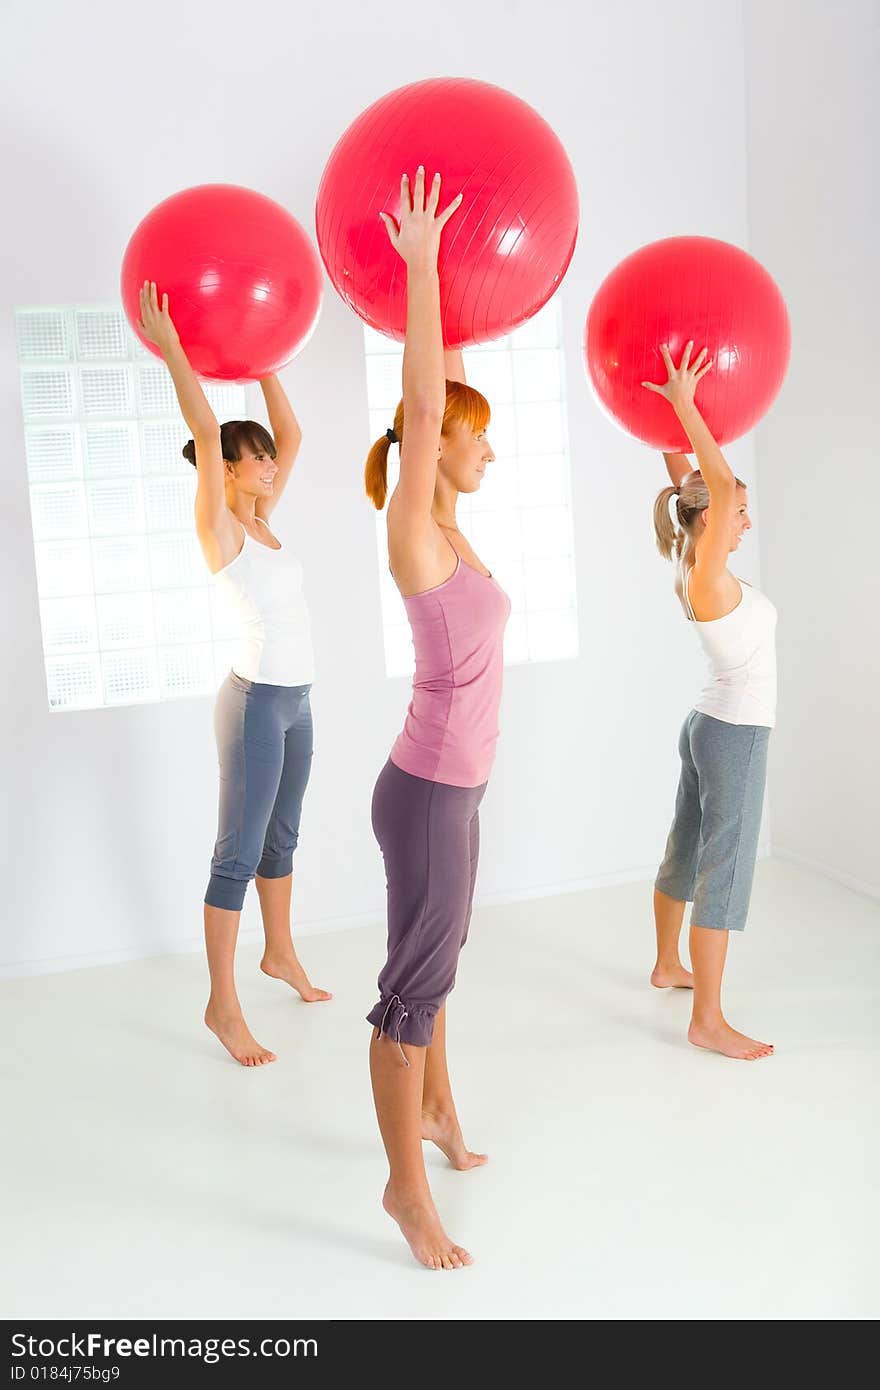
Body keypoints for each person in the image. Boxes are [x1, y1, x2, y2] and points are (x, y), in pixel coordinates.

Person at [363, 170, 511, 1267]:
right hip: (423, 796)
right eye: (477, 436)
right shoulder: (414, 525)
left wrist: (455, 295)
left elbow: (446, 390)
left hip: (456, 789)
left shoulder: (453, 527)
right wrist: (416, 268)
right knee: (409, 992)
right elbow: (424, 406)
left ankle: (440, 1113)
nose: (486, 448)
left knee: (442, 957)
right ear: (440, 447)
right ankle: (404, 1193)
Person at [138, 282, 330, 1068]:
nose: (269, 462)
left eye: (264, 459)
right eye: (254, 460)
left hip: (299, 702)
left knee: (283, 837)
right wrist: (177, 346)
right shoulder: (221, 526)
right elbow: (207, 425)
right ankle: (221, 1004)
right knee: (238, 852)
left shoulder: (265, 520)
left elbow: (293, 429)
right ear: (228, 470)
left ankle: (278, 951)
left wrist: (262, 359)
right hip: (253, 706)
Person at [646, 342, 776, 1060]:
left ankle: (668, 964)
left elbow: (700, 488)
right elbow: (718, 489)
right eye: (740, 512)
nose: (744, 520)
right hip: (736, 737)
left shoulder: (692, 562)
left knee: (684, 848)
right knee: (720, 872)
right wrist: (686, 401)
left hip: (706, 725)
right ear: (712, 521)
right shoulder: (707, 574)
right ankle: (708, 1019)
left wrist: (675, 426)